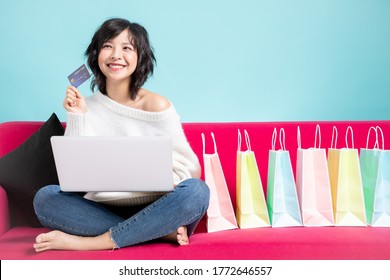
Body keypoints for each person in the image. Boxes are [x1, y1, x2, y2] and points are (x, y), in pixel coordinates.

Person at [33, 18, 210, 252]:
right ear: (96, 54)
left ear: (140, 57)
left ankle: (94, 243)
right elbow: (75, 177)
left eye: (127, 48)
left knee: (197, 191)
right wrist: (77, 117)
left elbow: (188, 169)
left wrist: (155, 178)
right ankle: (154, 232)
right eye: (108, 46)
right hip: (102, 208)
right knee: (45, 198)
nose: (116, 55)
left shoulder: (156, 105)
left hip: (159, 205)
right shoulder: (86, 105)